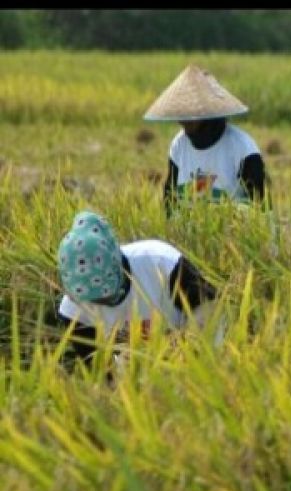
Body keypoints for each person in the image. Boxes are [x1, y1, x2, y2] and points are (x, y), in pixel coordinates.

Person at [54, 210, 219, 368]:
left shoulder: (159, 261)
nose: (99, 305)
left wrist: (183, 348)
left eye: (105, 297)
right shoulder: (73, 309)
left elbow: (210, 306)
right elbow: (100, 372)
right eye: (92, 300)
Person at [143, 64, 267, 212]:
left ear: (210, 115)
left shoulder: (243, 148)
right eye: (182, 114)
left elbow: (259, 205)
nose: (183, 121)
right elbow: (170, 197)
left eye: (191, 115)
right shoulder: (179, 145)